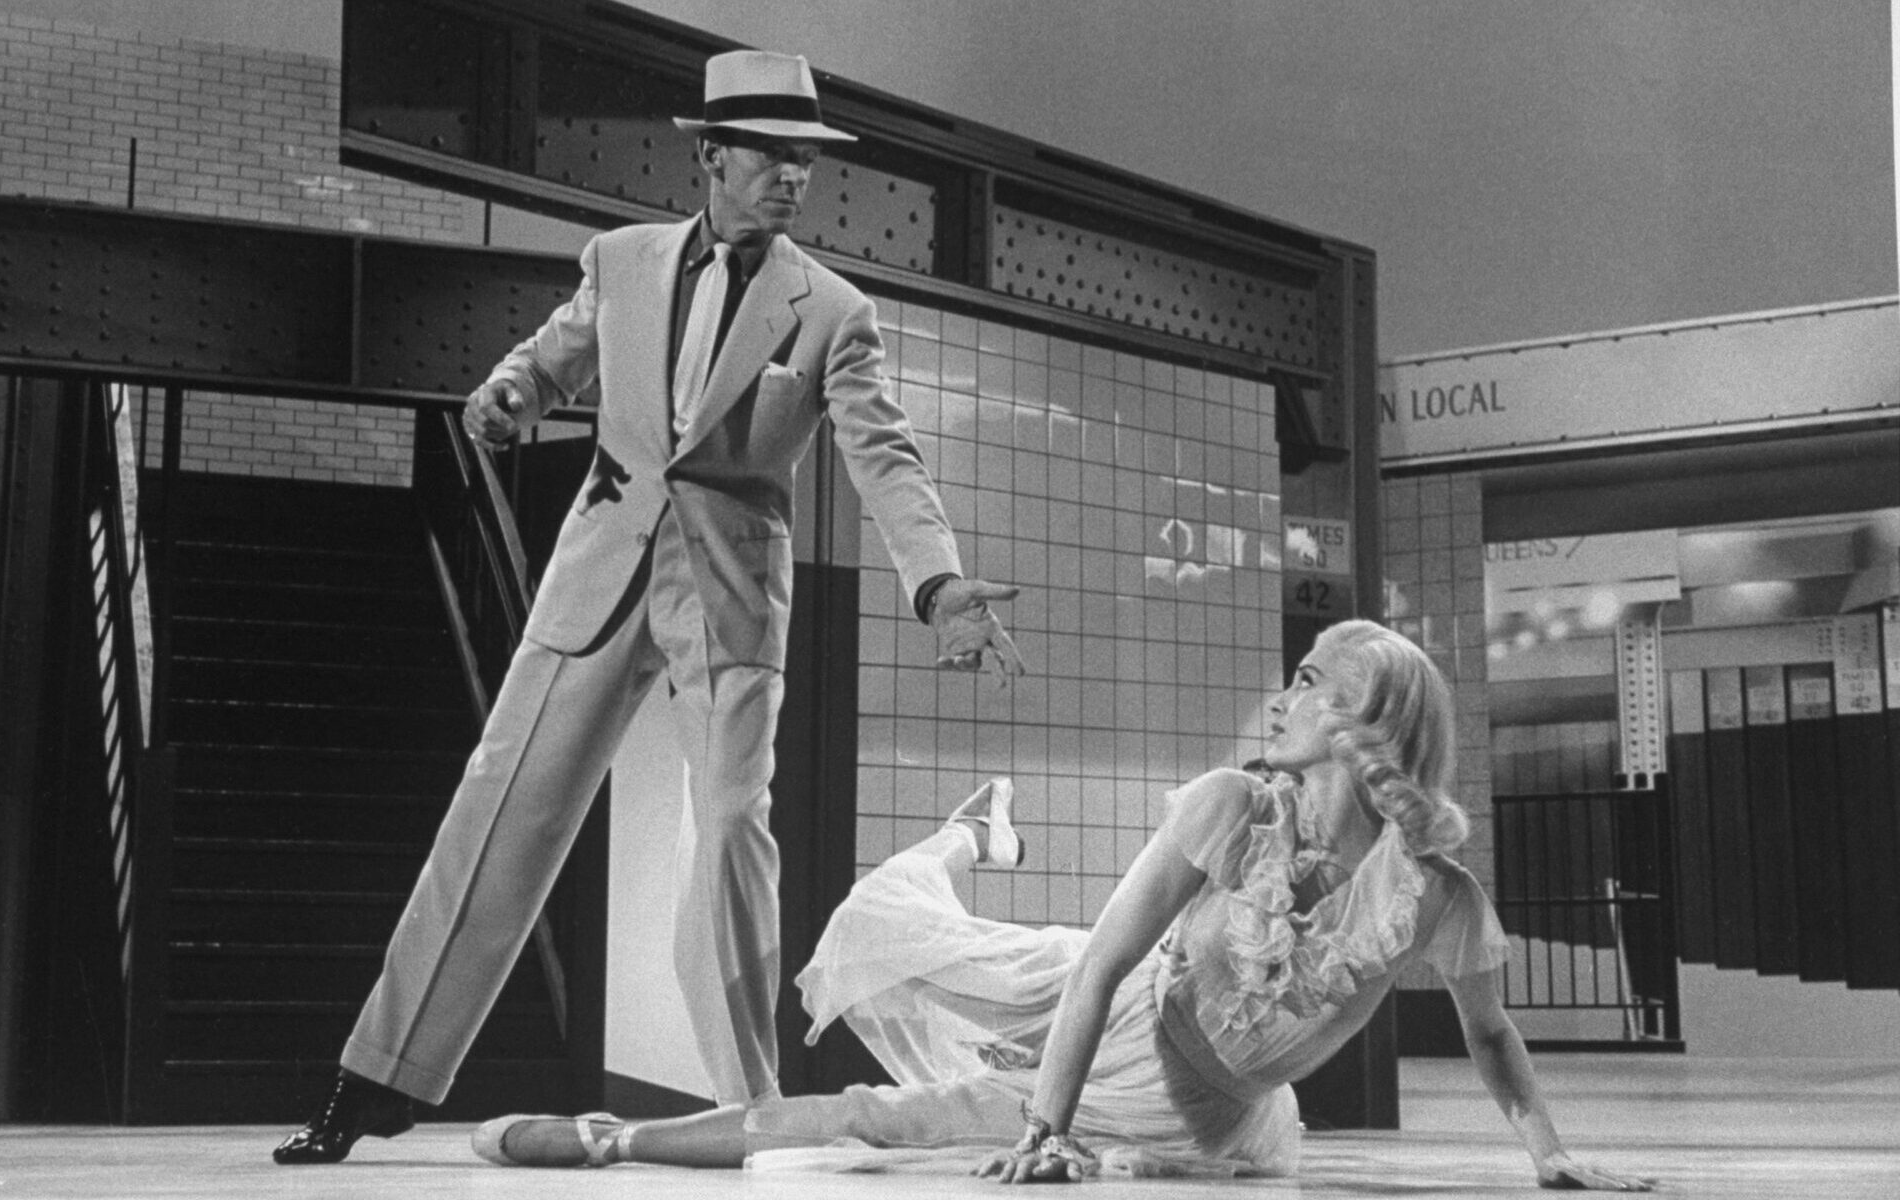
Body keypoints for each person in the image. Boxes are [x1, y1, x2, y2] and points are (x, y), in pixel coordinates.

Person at [272, 49, 1024, 1165]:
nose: (791, 178)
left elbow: (884, 456)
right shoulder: (619, 262)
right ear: (712, 155)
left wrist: (940, 582)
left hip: (728, 599)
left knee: (730, 831)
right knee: (498, 808)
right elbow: (555, 357)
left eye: (804, 161)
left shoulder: (833, 312)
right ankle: (375, 1080)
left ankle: (750, 1108)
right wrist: (510, 396)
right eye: (769, 154)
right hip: (599, 571)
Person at [469, 620, 1653, 1190]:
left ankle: (963, 858)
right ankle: (614, 1138)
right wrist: (1045, 1128)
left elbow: (1493, 1031)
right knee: (903, 965)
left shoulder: (1433, 895)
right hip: (1112, 996)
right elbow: (1097, 976)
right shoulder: (1227, 806)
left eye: (1310, 681)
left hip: (1218, 1113)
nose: (1282, 695)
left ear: (1367, 723)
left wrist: (1552, 1157)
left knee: (902, 1120)